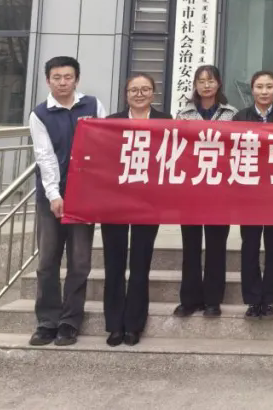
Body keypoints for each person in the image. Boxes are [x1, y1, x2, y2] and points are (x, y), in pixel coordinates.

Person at [28, 56, 107, 347]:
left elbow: (104, 145)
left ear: (77, 79)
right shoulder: (40, 114)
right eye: (57, 77)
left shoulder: (93, 106)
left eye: (68, 77)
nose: (63, 83)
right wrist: (54, 195)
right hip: (51, 197)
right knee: (47, 260)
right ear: (48, 80)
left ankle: (70, 322)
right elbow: (45, 157)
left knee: (80, 261)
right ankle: (47, 322)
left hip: (84, 197)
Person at [102, 74, 170, 347]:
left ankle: (134, 325)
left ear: (153, 93)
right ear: (126, 94)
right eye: (134, 90)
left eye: (145, 89)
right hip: (114, 202)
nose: (139, 94)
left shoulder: (165, 121)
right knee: (114, 264)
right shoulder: (111, 123)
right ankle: (114, 325)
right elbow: (102, 161)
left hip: (148, 202)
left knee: (141, 264)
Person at [174, 64, 237, 318]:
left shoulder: (231, 114)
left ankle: (212, 300)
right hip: (190, 189)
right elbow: (176, 147)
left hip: (220, 189)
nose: (206, 85)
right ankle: (189, 299)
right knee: (190, 246)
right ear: (195, 85)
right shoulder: (183, 114)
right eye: (201, 81)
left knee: (216, 246)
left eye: (210, 81)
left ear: (218, 83)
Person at [233, 70, 273, 320]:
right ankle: (252, 299)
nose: (264, 91)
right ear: (252, 90)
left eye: (269, 87)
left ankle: (269, 299)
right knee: (250, 246)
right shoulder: (240, 117)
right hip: (249, 193)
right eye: (259, 87)